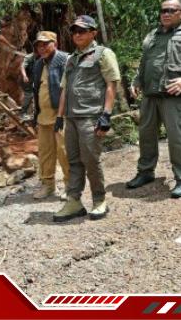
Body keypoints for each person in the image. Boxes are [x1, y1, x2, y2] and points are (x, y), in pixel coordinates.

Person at [126, 0, 181, 198]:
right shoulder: (153, 35)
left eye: (170, 10)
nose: (165, 14)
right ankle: (145, 172)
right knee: (146, 136)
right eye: (163, 10)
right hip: (150, 95)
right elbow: (145, 62)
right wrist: (137, 81)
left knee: (177, 139)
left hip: (174, 97)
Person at [53, 15, 120, 222]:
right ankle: (74, 201)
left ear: (93, 33)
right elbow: (64, 88)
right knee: (73, 161)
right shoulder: (71, 59)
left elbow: (111, 84)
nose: (77, 34)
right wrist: (59, 116)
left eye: (82, 31)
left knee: (91, 160)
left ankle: (99, 200)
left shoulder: (103, 54)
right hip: (72, 118)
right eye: (74, 31)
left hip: (91, 116)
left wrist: (106, 115)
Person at [29, 31, 70, 200]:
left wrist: (64, 114)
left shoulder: (65, 61)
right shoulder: (38, 64)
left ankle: (71, 185)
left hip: (62, 115)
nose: (42, 47)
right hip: (43, 116)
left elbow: (68, 89)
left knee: (64, 151)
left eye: (46, 44)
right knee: (45, 153)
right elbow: (36, 90)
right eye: (39, 45)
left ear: (55, 43)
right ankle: (48, 185)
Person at [20, 52, 36, 119]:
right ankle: (23, 113)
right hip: (27, 80)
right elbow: (22, 66)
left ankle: (35, 114)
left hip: (36, 79)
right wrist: (24, 76)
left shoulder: (43, 56)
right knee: (28, 96)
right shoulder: (29, 57)